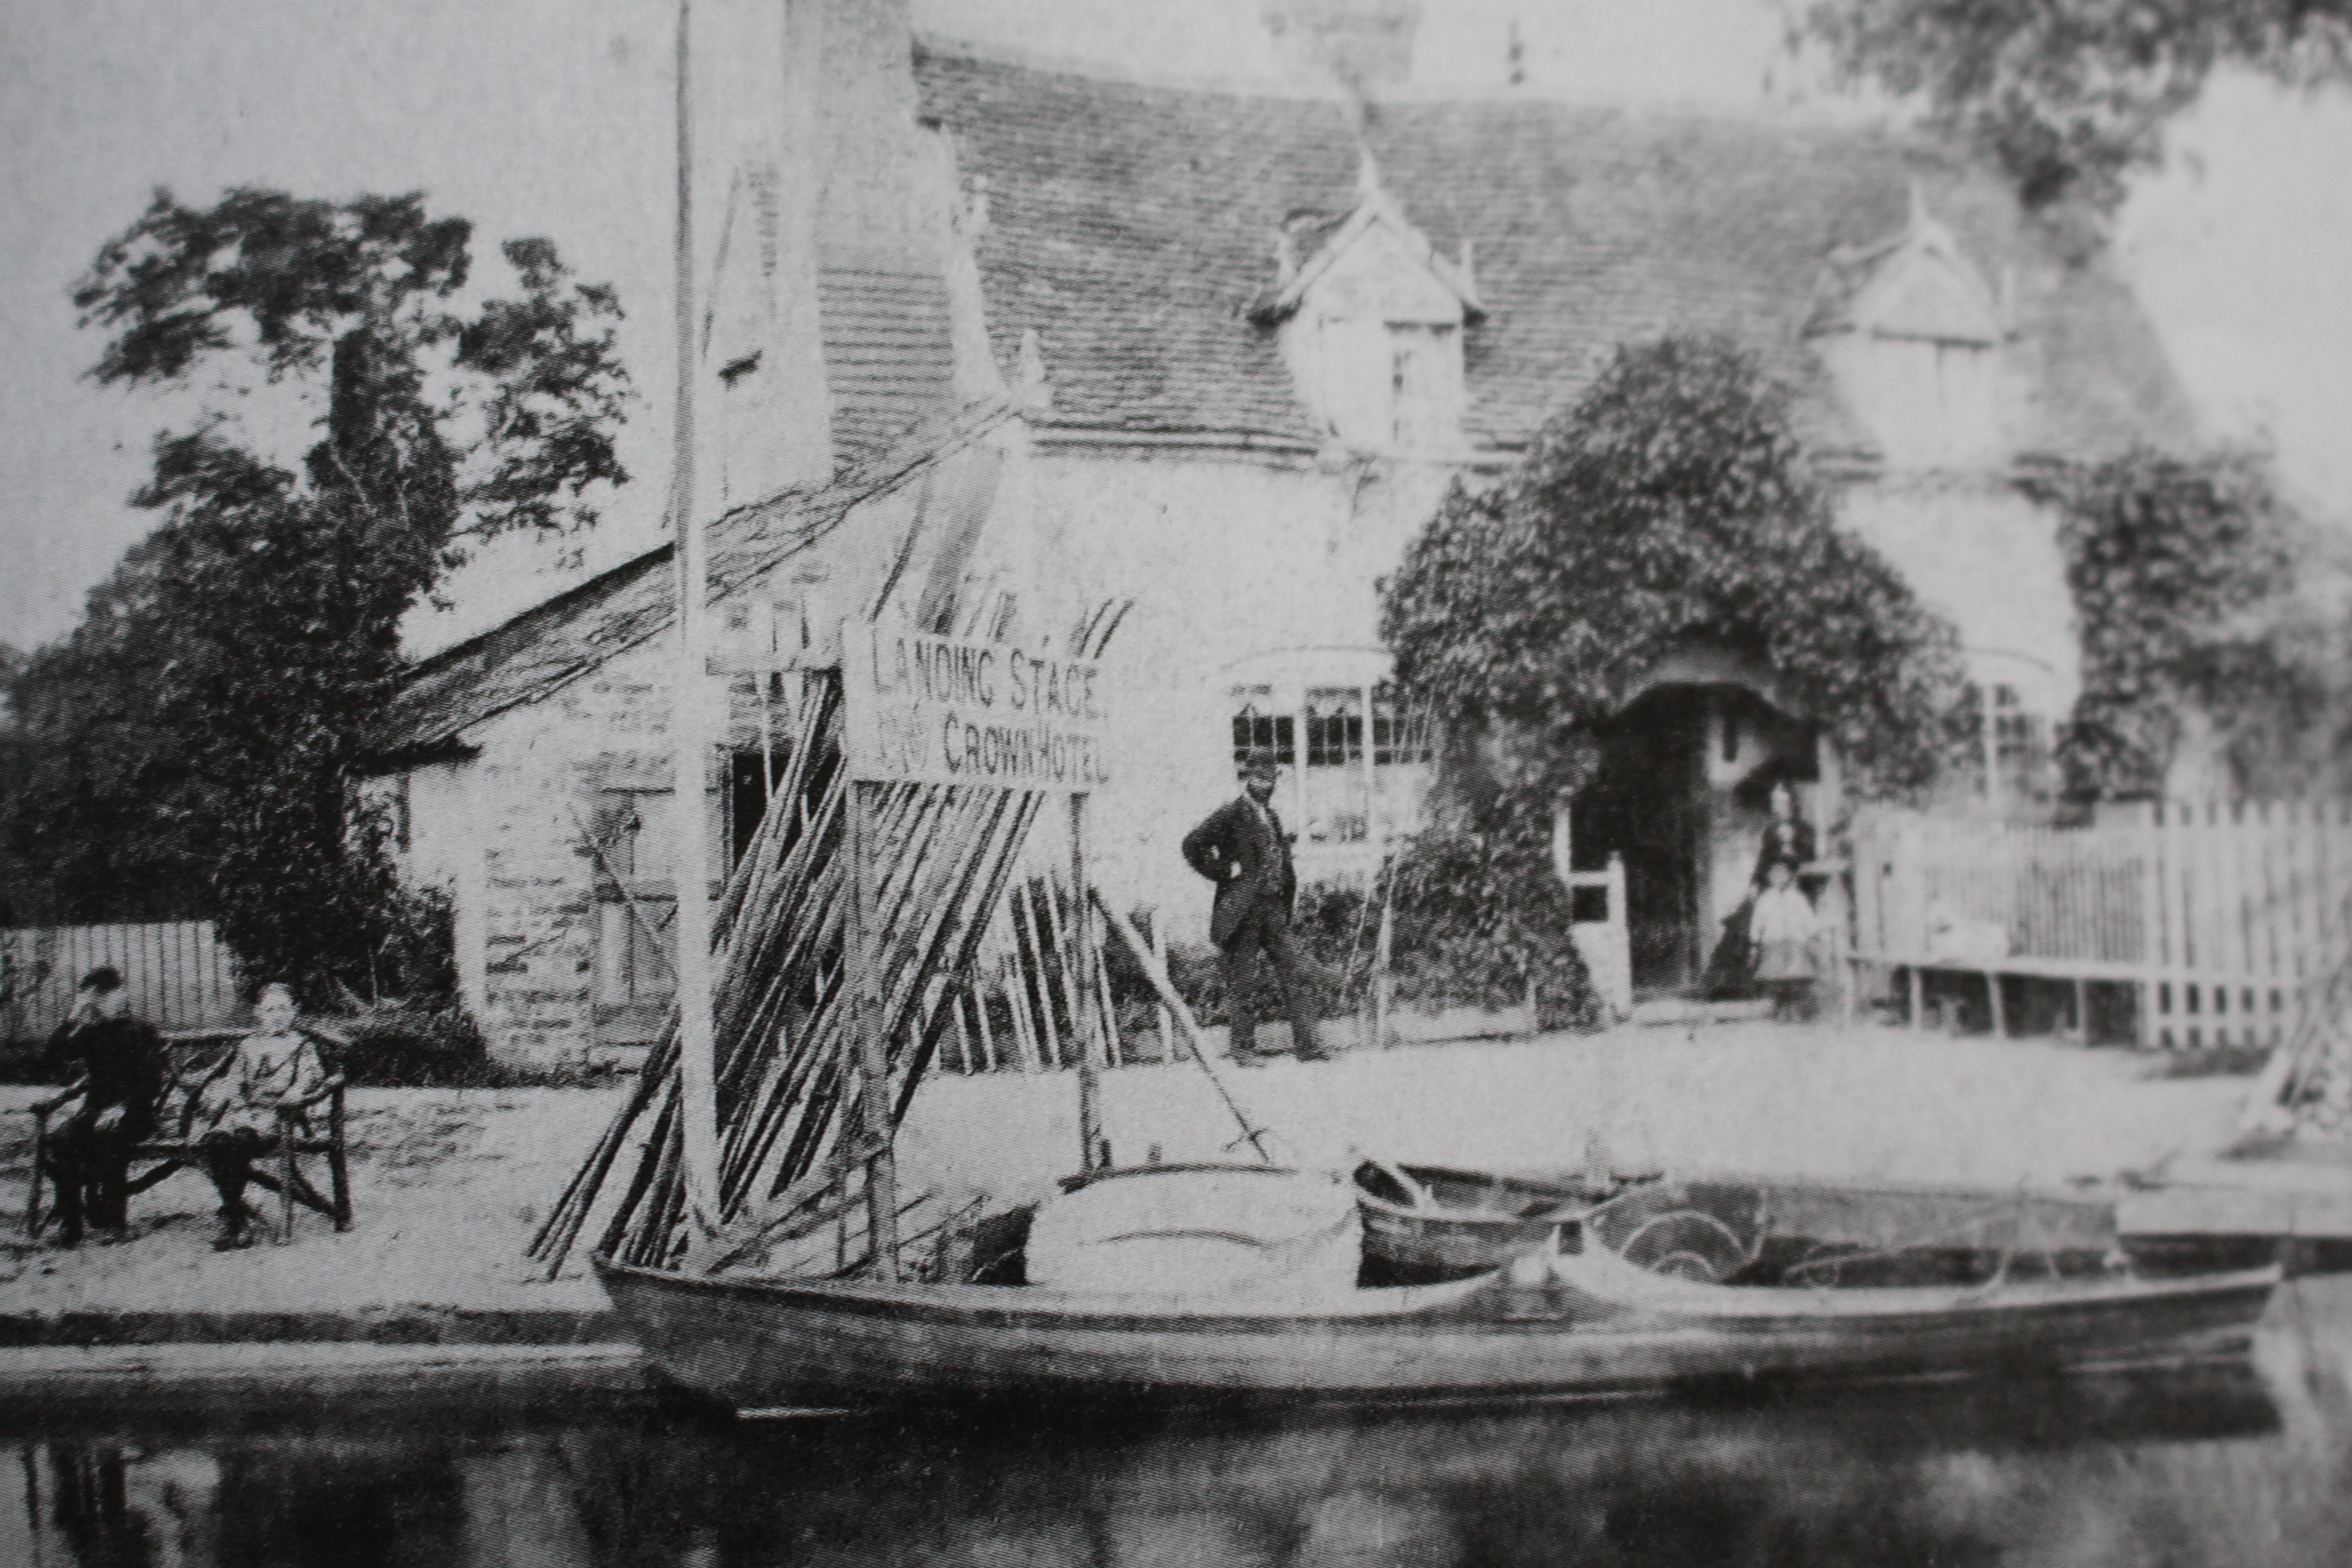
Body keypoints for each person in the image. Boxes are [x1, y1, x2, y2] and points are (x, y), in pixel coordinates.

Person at [1181, 747, 1330, 1064]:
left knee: (1297, 973)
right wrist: (1224, 871)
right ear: (1248, 779)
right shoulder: (1231, 814)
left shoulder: (1271, 815)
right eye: (1260, 779)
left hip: (1273, 909)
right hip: (1243, 912)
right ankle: (1244, 1050)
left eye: (1271, 779)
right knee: (1243, 982)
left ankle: (1309, 1047)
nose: (1266, 785)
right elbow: (1192, 844)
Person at [37, 966, 166, 1246]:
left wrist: (121, 1107)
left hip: (136, 1112)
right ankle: (72, 1225)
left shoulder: (142, 1031)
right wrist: (72, 1018)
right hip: (94, 1112)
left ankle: (115, 1223)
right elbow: (47, 1065)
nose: (117, 1001)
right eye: (103, 996)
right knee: (61, 1140)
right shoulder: (90, 1034)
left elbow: (152, 1082)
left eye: (116, 994)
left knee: (109, 1138)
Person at [193, 982, 327, 1250]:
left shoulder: (301, 1045)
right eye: (269, 1010)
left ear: (294, 1012)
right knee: (214, 1143)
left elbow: (313, 1075)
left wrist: (298, 1091)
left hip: (276, 1115)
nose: (276, 1015)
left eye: (283, 1009)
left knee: (242, 1141)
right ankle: (238, 1214)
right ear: (257, 1013)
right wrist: (237, 1107)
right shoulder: (247, 1046)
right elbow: (235, 1082)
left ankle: (236, 1220)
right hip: (242, 1112)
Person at [1749, 860, 1821, 1020]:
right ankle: (1779, 1009)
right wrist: (1755, 940)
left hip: (1795, 941)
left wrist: (1812, 935)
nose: (1779, 878)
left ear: (1789, 877)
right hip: (1773, 941)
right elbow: (1757, 921)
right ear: (1770, 878)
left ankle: (1795, 1010)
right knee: (1777, 978)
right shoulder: (1766, 899)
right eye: (1775, 875)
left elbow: (1808, 919)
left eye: (1783, 875)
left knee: (1795, 977)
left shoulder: (1797, 898)